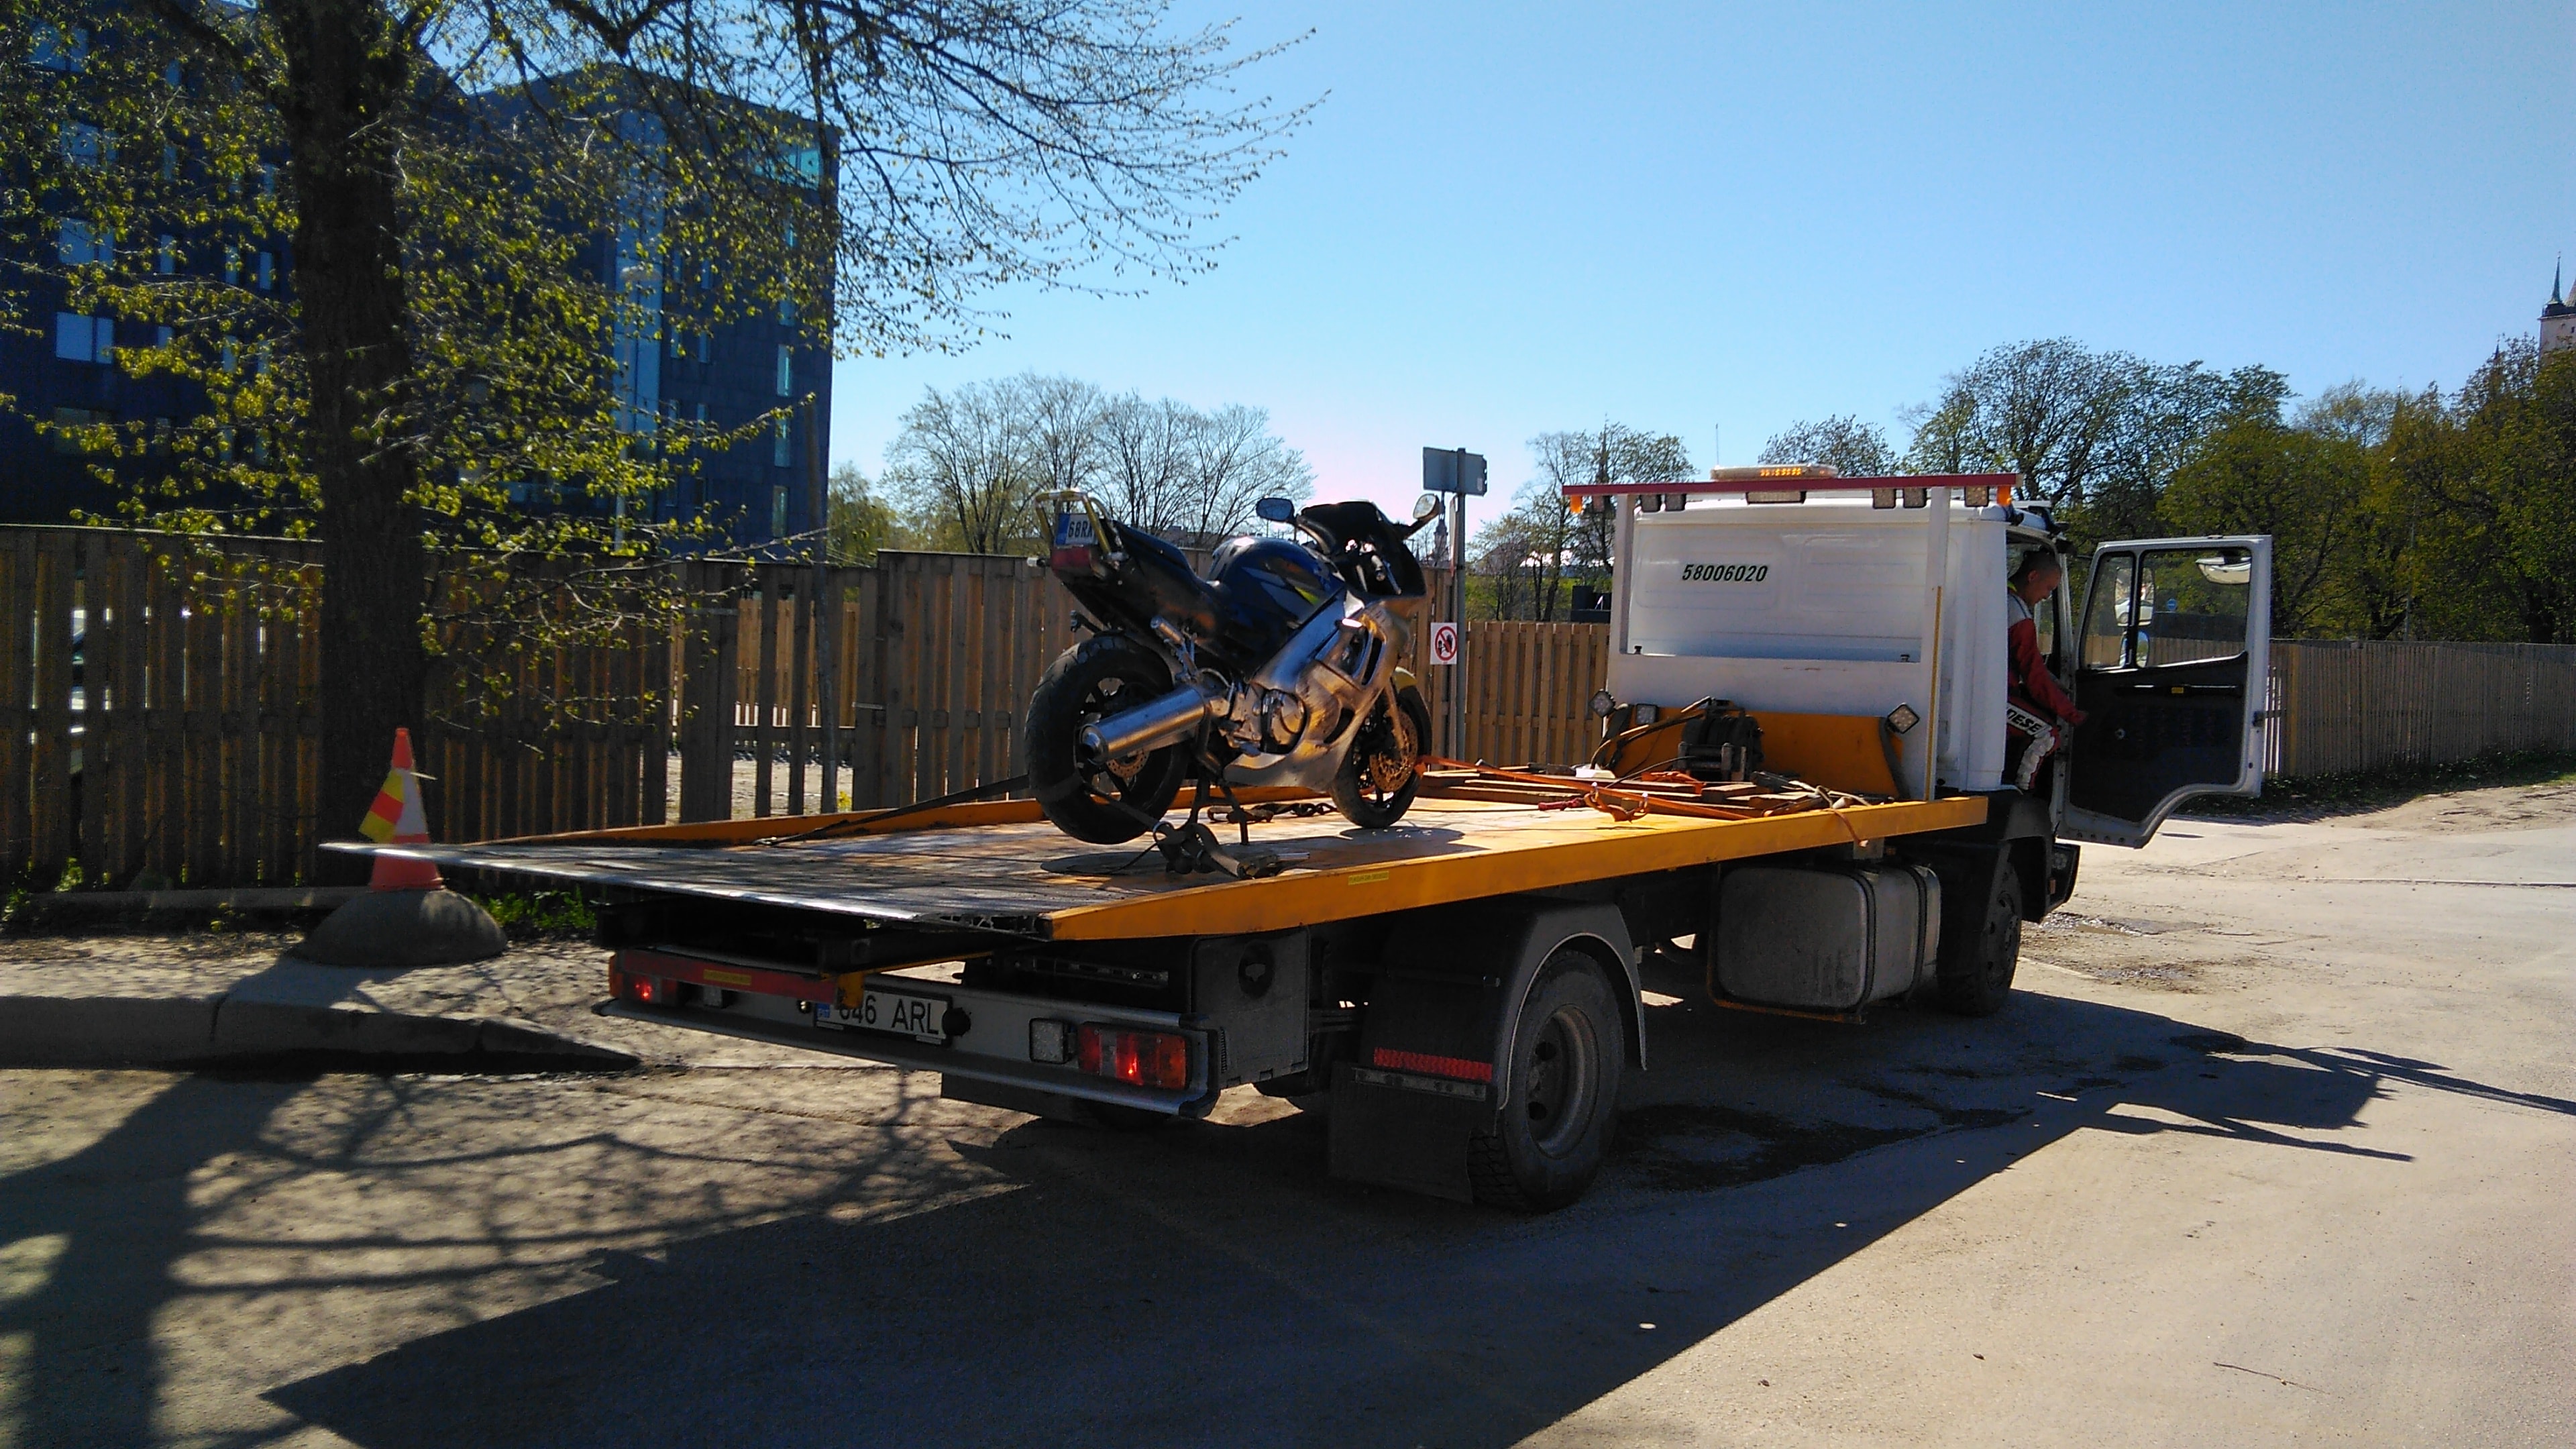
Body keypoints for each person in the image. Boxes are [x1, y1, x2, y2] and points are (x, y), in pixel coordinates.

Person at [2005, 548, 2084, 792]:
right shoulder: (2019, 616)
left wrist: (2055, 685)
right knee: (2046, 735)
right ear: (2033, 576)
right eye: (2048, 588)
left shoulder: (1999, 598)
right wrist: (2073, 715)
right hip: (1993, 698)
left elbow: (2030, 666)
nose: (2047, 596)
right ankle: (2021, 794)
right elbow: (2035, 678)